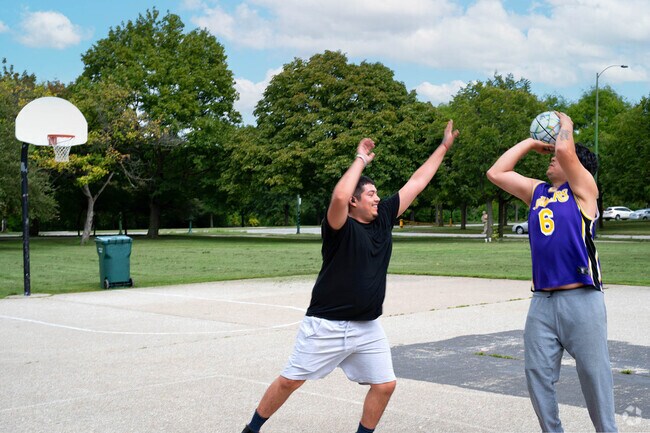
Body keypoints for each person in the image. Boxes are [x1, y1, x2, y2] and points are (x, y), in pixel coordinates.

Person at [241, 121, 459, 433]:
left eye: (377, 194)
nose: (377, 198)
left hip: (367, 327)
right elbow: (340, 197)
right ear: (355, 201)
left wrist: (443, 147)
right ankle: (252, 429)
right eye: (370, 193)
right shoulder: (338, 227)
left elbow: (418, 181)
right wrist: (360, 159)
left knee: (385, 385)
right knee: (290, 380)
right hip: (326, 325)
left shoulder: (383, 217)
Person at [486, 112, 617, 433]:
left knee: (594, 376)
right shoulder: (538, 192)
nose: (553, 159)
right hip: (542, 302)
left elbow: (565, 152)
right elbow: (496, 172)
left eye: (559, 157)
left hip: (582, 299)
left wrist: (566, 124)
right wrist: (531, 143)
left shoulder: (585, 190)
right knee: (537, 374)